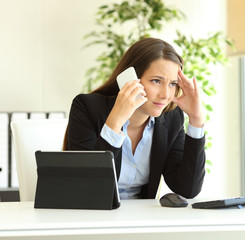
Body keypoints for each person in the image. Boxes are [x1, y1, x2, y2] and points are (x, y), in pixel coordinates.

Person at [63, 37, 205, 199]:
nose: (165, 95)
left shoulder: (171, 118)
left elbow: (187, 189)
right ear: (129, 78)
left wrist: (196, 120)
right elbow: (88, 189)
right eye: (156, 81)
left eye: (172, 84)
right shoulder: (87, 108)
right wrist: (116, 121)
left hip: (140, 218)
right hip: (94, 215)